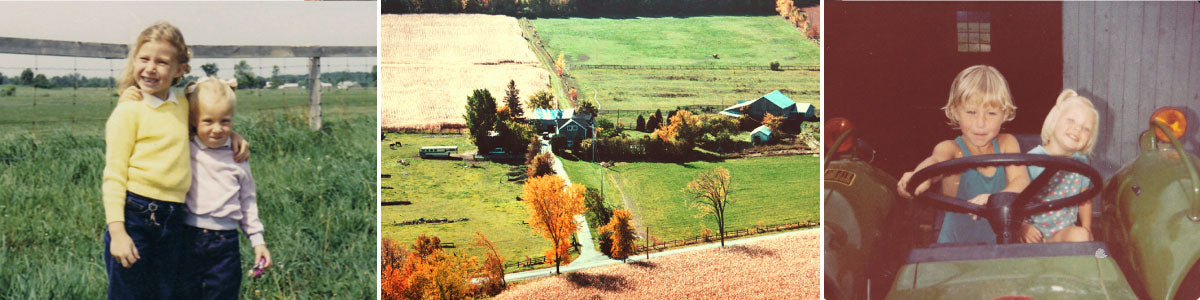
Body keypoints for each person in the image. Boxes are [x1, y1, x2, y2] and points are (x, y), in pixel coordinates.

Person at [102, 22, 247, 299]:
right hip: (135, 216)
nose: (150, 68)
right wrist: (117, 231)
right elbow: (114, 175)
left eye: (162, 62)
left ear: (180, 69)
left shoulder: (182, 107)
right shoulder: (128, 112)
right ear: (134, 62)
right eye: (144, 59)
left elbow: (208, 123)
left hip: (175, 219)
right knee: (130, 292)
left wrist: (233, 135)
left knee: (167, 292)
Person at [896, 65, 1030, 244]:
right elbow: (935, 161)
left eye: (991, 113)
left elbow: (1021, 181)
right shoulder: (952, 149)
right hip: (955, 250)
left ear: (1004, 114)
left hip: (1000, 246)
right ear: (954, 111)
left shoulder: (1007, 144)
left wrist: (994, 199)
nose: (980, 123)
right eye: (971, 112)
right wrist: (918, 176)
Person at [177, 77, 271, 299]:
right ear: (193, 120)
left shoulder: (238, 156)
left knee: (224, 294)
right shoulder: (186, 147)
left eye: (225, 121)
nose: (217, 129)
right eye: (207, 121)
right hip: (188, 237)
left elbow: (248, 200)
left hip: (225, 243)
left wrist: (258, 242)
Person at [1021, 89, 1098, 243]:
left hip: (1062, 233)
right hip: (1033, 234)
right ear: (1054, 121)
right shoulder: (1032, 160)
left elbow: (1084, 200)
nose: (1078, 128)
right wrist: (1022, 227)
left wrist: (1088, 228)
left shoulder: (1081, 163)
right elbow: (1015, 201)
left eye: (1086, 128)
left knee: (1081, 235)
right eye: (1071, 120)